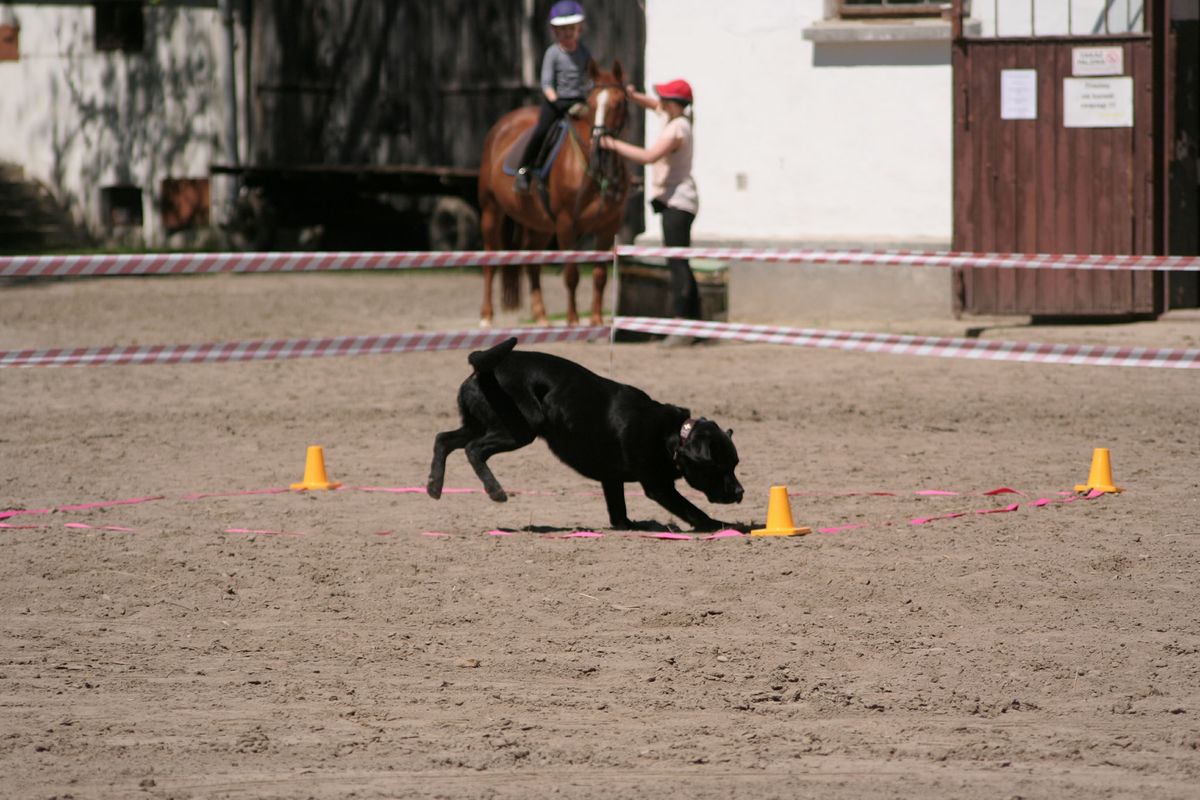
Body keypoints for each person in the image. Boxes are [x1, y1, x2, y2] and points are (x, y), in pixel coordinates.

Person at [599, 78, 700, 345]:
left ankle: (684, 326)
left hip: (678, 202)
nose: (661, 102)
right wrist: (633, 96)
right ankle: (696, 324)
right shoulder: (676, 118)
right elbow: (654, 104)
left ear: (675, 104)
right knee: (680, 261)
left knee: (676, 263)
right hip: (674, 201)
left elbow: (648, 157)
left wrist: (612, 144)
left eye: (666, 98)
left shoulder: (677, 128)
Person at [514, 1, 593, 193]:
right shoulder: (553, 53)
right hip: (556, 102)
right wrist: (556, 101)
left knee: (597, 131)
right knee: (541, 131)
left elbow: (589, 77)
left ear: (579, 29)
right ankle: (525, 169)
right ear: (555, 31)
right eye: (562, 29)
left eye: (571, 29)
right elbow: (547, 83)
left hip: (578, 101)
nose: (567, 33)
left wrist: (589, 96)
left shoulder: (583, 53)